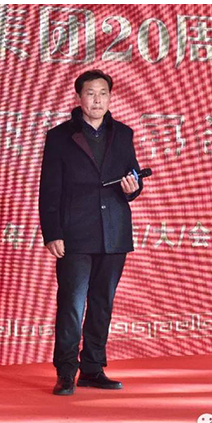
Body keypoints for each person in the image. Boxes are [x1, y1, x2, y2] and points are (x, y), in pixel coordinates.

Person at [39, 69, 145, 396]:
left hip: (114, 231)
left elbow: (133, 176)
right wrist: (52, 232)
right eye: (90, 93)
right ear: (79, 97)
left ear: (110, 98)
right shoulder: (60, 136)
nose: (97, 100)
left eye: (103, 93)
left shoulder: (123, 134)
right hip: (74, 232)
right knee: (72, 304)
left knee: (102, 303)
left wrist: (133, 187)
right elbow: (49, 189)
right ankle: (65, 371)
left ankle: (93, 368)